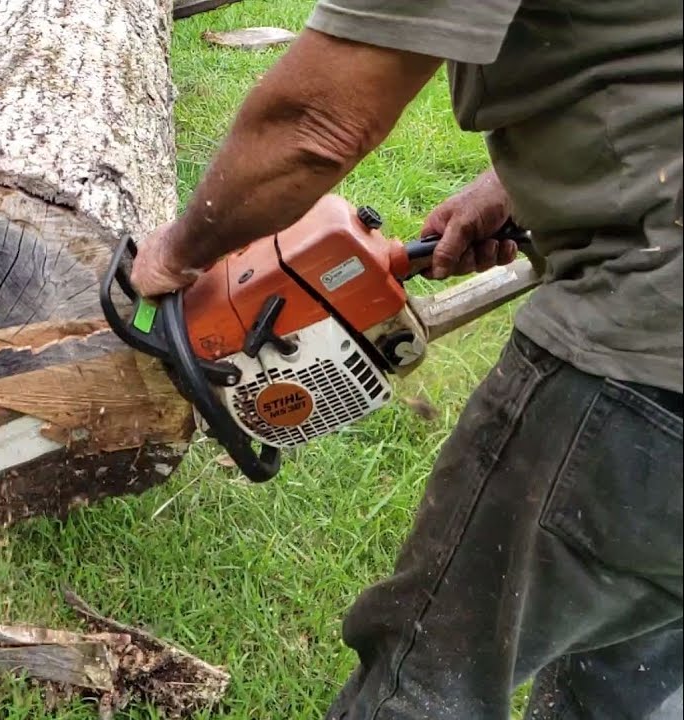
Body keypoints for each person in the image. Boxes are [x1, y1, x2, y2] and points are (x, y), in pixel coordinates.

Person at [128, 2, 683, 718]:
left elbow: (316, 122)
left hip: (647, 355)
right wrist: (514, 183)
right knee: (633, 673)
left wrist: (177, 254)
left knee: (427, 682)